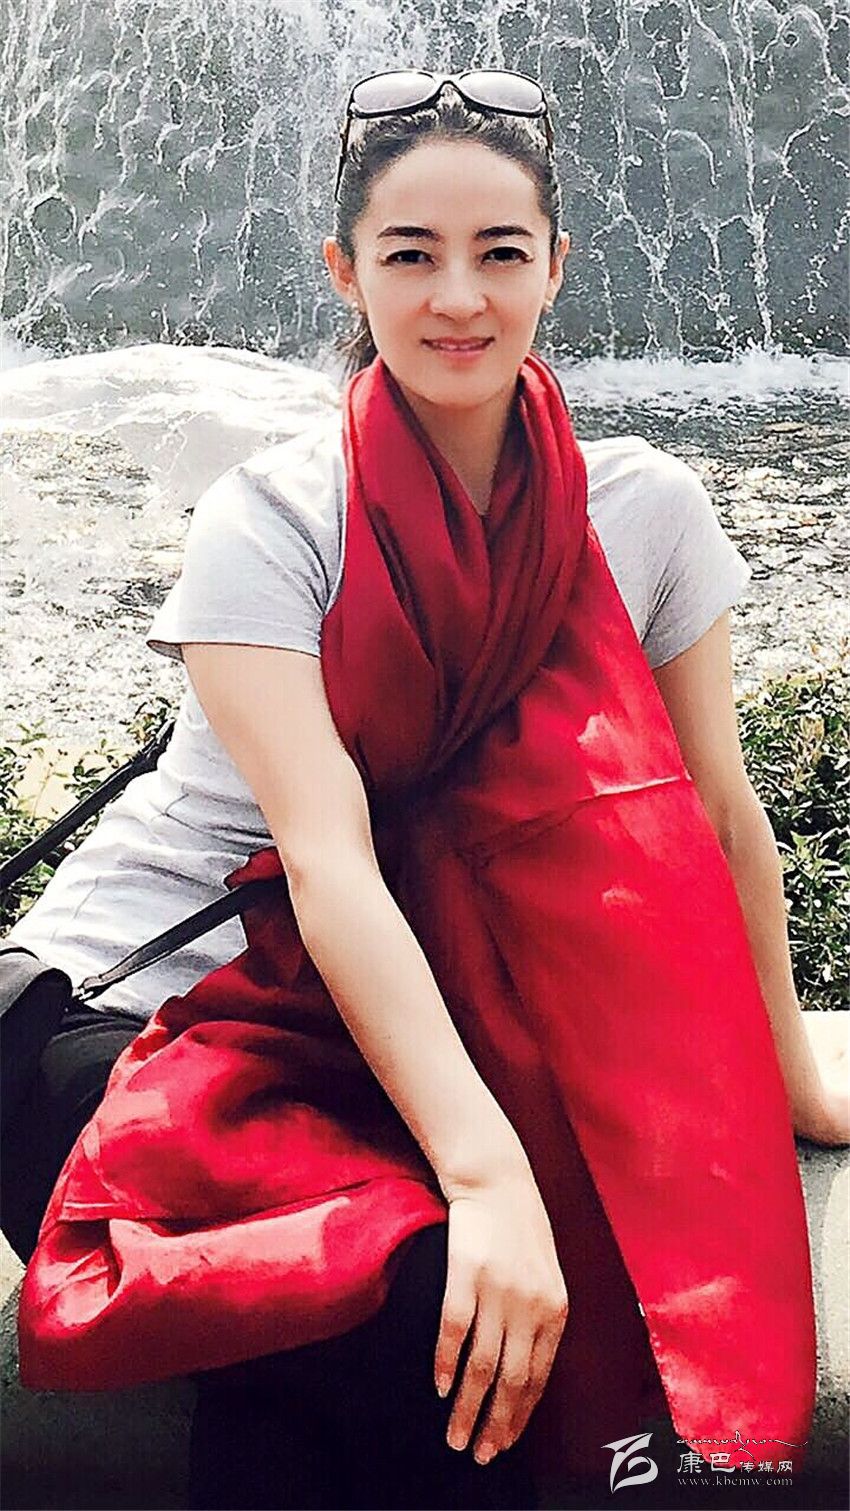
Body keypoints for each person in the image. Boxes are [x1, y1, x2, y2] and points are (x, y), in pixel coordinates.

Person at [1, 69, 839, 1511]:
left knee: (442, 1322)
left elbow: (719, 812)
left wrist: (795, 1079)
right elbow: (327, 861)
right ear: (347, 272)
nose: (459, 296)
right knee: (409, 1299)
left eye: (499, 251)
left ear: (556, 266)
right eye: (410, 254)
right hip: (137, 1016)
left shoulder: (645, 509)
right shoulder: (274, 518)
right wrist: (489, 1175)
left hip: (413, 1030)